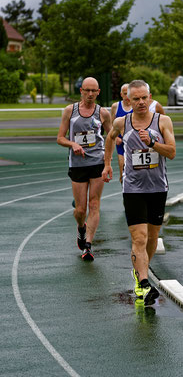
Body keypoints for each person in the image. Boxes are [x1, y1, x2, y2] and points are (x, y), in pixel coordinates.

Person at [102, 80, 176, 305]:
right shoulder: (121, 122)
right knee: (139, 237)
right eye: (136, 99)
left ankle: (138, 271)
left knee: (152, 238)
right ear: (129, 100)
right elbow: (109, 139)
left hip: (157, 188)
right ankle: (143, 283)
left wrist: (153, 142)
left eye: (145, 98)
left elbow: (171, 152)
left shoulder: (162, 121)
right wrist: (107, 164)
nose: (141, 102)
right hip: (133, 188)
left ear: (150, 97)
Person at [57, 77, 112, 261]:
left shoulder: (103, 113)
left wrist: (109, 161)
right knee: (80, 210)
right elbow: (60, 138)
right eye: (87, 90)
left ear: (98, 92)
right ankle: (81, 228)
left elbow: (111, 137)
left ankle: (88, 245)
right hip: (78, 164)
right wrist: (72, 144)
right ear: (81, 90)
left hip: (97, 162)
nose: (90, 94)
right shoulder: (69, 111)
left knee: (94, 204)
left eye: (93, 91)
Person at [110, 83, 133, 183]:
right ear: (121, 94)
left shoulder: (136, 106)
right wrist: (116, 138)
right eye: (125, 94)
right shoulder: (115, 106)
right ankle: (124, 190)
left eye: (129, 93)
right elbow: (111, 126)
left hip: (133, 143)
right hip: (121, 143)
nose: (127, 96)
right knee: (122, 170)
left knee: (133, 170)